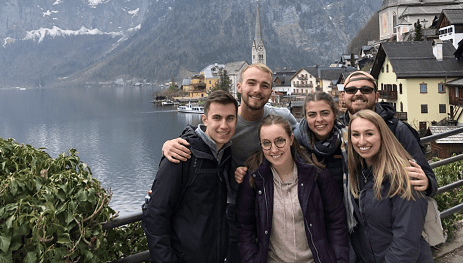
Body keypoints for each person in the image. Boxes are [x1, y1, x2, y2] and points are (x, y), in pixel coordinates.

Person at [161, 63, 298, 263]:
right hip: (235, 213)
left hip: (277, 208)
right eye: (252, 83)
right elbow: (200, 139)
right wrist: (167, 145)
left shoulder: (282, 118)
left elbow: (307, 144)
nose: (258, 90)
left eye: (264, 85)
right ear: (240, 86)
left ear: (271, 90)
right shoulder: (228, 124)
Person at [235, 115, 349, 263]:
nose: (274, 149)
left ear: (291, 139)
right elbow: (244, 227)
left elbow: (337, 224)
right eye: (266, 143)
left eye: (280, 141)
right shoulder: (254, 180)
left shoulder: (318, 176)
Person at [142, 90, 238, 263]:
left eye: (230, 118)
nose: (224, 125)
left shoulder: (225, 153)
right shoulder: (182, 154)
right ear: (205, 119)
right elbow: (155, 215)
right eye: (217, 117)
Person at [347, 110, 434, 263]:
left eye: (369, 134)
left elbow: (406, 242)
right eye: (355, 134)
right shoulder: (358, 172)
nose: (361, 141)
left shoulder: (404, 176)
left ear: (382, 135)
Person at [339, 71, 437, 196]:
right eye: (351, 90)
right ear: (343, 96)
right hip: (354, 211)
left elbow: (428, 179)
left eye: (366, 89)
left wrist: (427, 184)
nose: (358, 93)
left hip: (392, 208)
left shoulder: (397, 129)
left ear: (376, 96)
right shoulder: (338, 130)